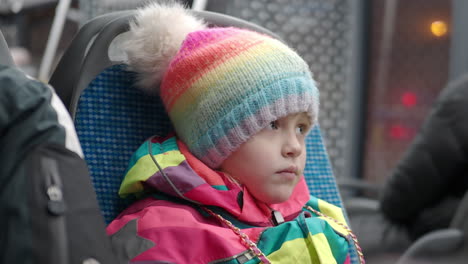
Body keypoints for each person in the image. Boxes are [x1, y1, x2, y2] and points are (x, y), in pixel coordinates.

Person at [106, 2, 363, 263]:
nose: (294, 147)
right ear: (214, 139)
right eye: (272, 124)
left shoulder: (317, 218)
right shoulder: (161, 233)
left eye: (301, 128)